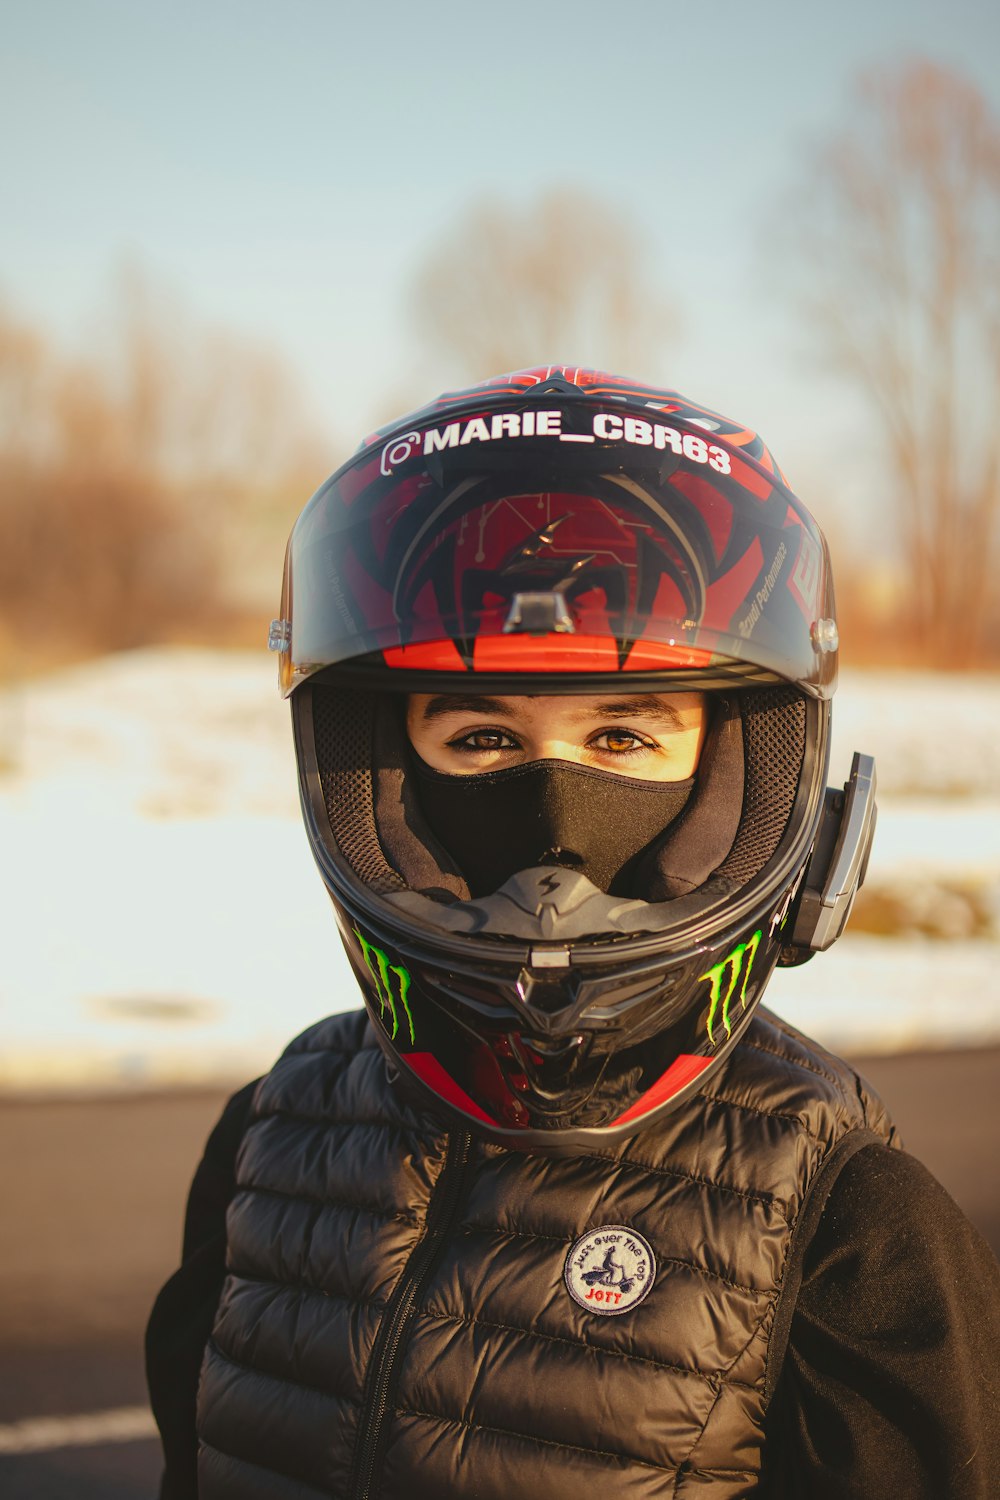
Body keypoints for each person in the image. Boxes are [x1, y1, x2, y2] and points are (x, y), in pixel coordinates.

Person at [147, 367, 1000, 1498]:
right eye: (483, 741)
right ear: (381, 778)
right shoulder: (266, 1140)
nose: (552, 828)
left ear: (746, 779)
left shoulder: (852, 1230)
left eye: (623, 739)